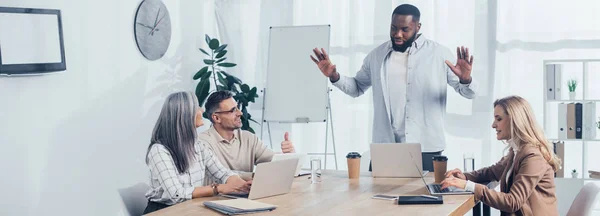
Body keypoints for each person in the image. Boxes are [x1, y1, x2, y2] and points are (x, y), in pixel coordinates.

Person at [310, 4, 477, 171]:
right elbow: (357, 88)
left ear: (418, 27)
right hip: (385, 146)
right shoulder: (376, 55)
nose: (398, 34)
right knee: (376, 196)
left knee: (425, 196)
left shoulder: (439, 54)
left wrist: (466, 79)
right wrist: (334, 76)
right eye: (393, 28)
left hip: (426, 147)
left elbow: (469, 93)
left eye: (405, 29)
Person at [442, 95, 560, 216]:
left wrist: (468, 186)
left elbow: (513, 201)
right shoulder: (517, 151)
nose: (493, 125)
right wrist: (464, 177)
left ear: (514, 120)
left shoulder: (533, 157)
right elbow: (492, 172)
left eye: (498, 119)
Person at [143, 91, 251, 214]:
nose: (201, 111)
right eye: (198, 107)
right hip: (163, 211)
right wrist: (218, 188)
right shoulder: (159, 150)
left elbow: (223, 173)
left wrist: (244, 186)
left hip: (188, 208)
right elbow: (176, 194)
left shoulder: (198, 146)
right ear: (185, 115)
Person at [198, 90, 296, 181]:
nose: (240, 113)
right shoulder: (202, 143)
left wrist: (289, 155)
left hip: (246, 195)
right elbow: (219, 174)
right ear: (216, 118)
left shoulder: (248, 138)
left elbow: (273, 161)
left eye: (238, 108)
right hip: (217, 198)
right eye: (233, 110)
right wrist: (253, 176)